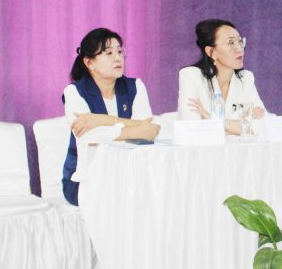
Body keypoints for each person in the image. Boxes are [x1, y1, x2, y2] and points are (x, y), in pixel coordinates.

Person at [62, 28, 160, 206]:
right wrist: (136, 129)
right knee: (128, 199)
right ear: (89, 63)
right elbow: (90, 137)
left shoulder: (135, 86)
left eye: (120, 51)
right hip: (85, 179)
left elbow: (149, 133)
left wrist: (103, 120)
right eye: (109, 53)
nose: (118, 58)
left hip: (127, 175)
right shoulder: (74, 92)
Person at [178, 19, 267, 134]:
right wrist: (243, 125)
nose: (239, 48)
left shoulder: (245, 78)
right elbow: (192, 130)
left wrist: (212, 119)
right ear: (211, 52)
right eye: (231, 42)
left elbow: (263, 127)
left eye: (240, 41)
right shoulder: (191, 76)